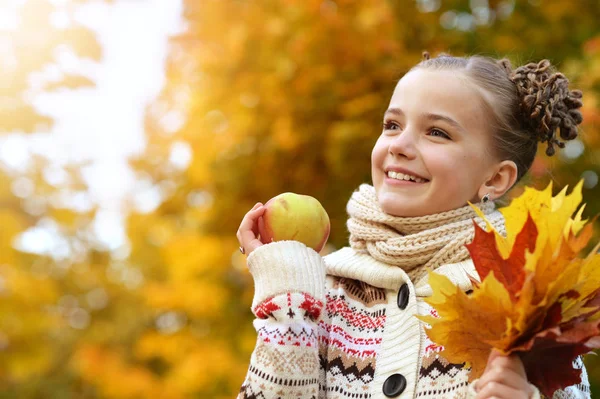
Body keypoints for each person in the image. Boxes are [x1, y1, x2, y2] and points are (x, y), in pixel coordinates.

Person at [235, 53, 590, 399]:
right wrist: (287, 303)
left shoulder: (527, 304)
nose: (400, 145)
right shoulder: (319, 291)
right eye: (392, 125)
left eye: (437, 132)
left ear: (495, 178)